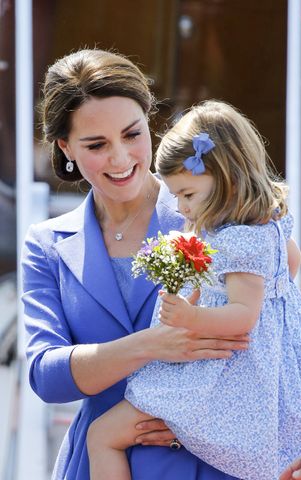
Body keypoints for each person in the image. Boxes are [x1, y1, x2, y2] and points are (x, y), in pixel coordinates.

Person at [21, 49, 250, 480]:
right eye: (96, 145)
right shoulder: (47, 244)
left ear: (150, 122)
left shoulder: (215, 214)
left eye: (132, 134)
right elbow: (47, 375)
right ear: (65, 147)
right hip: (98, 463)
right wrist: (152, 344)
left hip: (213, 463)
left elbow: (277, 330)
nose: (120, 158)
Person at [86, 100, 301, 480]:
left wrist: (193, 316)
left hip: (225, 373)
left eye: (188, 195)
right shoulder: (269, 222)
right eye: (176, 195)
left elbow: (244, 316)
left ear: (227, 177)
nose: (180, 207)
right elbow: (289, 265)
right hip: (265, 367)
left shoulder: (239, 240)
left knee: (103, 435)